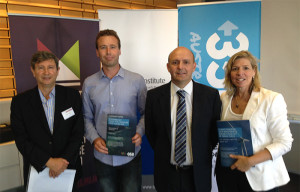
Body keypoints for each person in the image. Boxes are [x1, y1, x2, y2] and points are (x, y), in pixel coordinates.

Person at [145, 46, 222, 192]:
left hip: (198, 174)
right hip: (166, 174)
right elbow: (151, 133)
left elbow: (214, 134)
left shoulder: (210, 96)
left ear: (194, 66)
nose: (180, 67)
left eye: (186, 62)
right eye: (175, 62)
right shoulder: (154, 96)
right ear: (168, 67)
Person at [216, 50, 293, 192]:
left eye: (245, 68)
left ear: (254, 71)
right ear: (229, 74)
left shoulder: (271, 99)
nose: (240, 73)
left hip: (259, 174)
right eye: (235, 69)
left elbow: (284, 142)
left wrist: (250, 161)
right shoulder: (223, 98)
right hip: (227, 173)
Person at [82, 29, 147, 192]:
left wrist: (140, 132)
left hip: (131, 154)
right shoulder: (89, 83)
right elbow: (86, 117)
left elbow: (146, 113)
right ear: (97, 52)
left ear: (119, 50)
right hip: (102, 156)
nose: (108, 52)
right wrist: (95, 139)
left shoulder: (136, 80)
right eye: (103, 47)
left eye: (112, 47)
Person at [10, 51, 84, 190]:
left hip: (67, 168)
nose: (46, 72)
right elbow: (21, 139)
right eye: (40, 67)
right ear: (33, 71)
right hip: (37, 170)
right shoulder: (20, 102)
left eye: (50, 67)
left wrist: (62, 162)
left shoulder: (72, 96)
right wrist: (48, 162)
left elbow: (78, 132)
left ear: (57, 70)